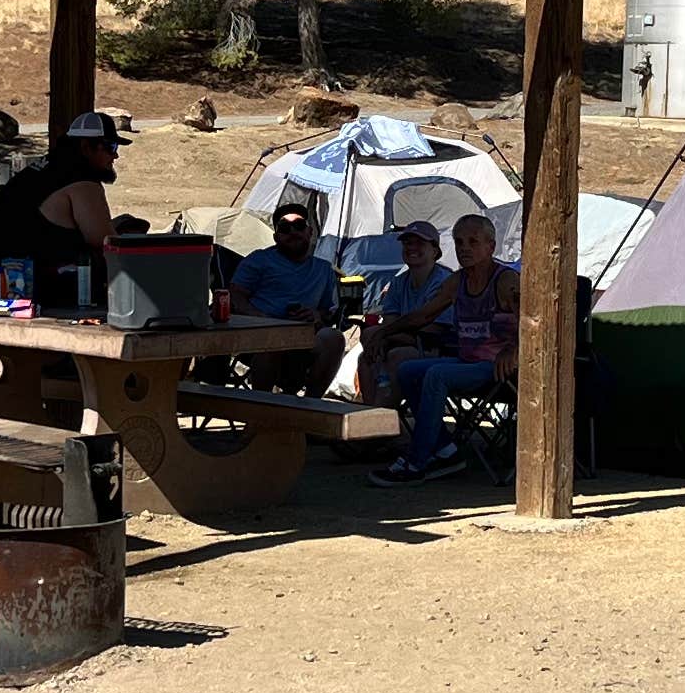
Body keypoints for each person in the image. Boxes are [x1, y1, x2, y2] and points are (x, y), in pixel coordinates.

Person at [375, 210, 522, 483]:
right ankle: (445, 450)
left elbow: (533, 321)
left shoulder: (505, 281)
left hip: (495, 367)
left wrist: (512, 349)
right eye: (459, 242)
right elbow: (424, 315)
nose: (465, 248)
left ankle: (417, 461)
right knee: (407, 370)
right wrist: (385, 331)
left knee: (436, 375)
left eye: (473, 242)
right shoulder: (458, 281)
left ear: (491, 246)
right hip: (468, 362)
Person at [0, 107, 123, 309]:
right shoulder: (82, 180)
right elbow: (106, 242)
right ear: (85, 147)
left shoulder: (43, 169)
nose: (115, 156)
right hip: (36, 292)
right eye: (110, 147)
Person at [221, 197, 345, 392]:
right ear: (276, 237)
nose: (293, 232)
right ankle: (261, 410)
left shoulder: (324, 269)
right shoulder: (259, 260)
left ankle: (311, 406)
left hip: (304, 335)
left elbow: (327, 311)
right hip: (261, 333)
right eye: (285, 228)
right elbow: (235, 296)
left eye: (298, 226)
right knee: (273, 340)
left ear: (310, 232)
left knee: (334, 338)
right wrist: (262, 319)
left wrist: (316, 315)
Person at [353, 217, 459, 401]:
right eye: (407, 243)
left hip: (438, 347)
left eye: (419, 243)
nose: (412, 248)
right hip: (404, 341)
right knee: (366, 354)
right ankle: (372, 415)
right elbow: (389, 322)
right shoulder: (399, 282)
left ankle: (385, 415)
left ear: (435, 251)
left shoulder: (444, 281)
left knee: (396, 354)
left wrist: (385, 335)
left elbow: (433, 331)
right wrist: (384, 335)